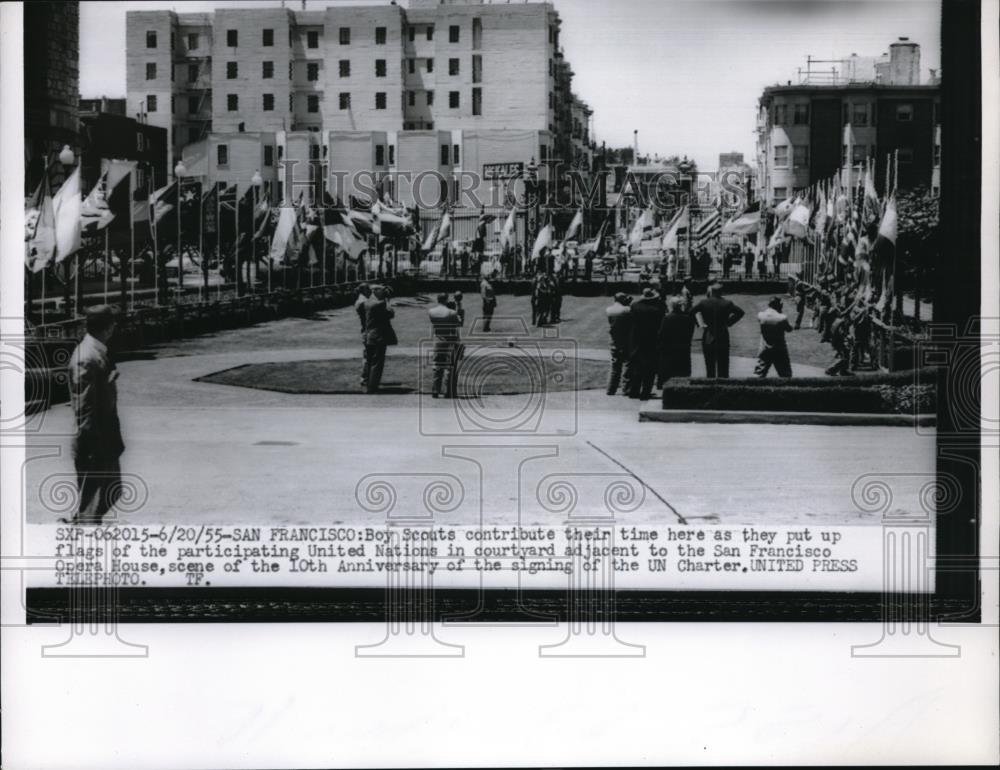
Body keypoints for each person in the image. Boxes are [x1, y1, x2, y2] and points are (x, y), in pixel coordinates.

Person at [64, 305, 125, 525]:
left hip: (103, 438)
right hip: (95, 441)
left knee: (111, 490)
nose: (115, 326)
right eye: (113, 323)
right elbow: (85, 408)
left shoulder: (97, 352)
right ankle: (82, 536)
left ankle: (80, 523)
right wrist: (94, 447)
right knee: (94, 501)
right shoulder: (86, 358)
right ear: (107, 328)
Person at [692, 282, 745, 379]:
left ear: (711, 291)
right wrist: (729, 322)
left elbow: (691, 312)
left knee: (709, 364)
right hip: (722, 333)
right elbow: (740, 312)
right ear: (721, 292)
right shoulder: (727, 303)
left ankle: (710, 384)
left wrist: (700, 323)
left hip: (708, 333)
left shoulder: (704, 302)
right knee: (723, 363)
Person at [627, 287, 666, 400]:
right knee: (650, 369)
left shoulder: (634, 306)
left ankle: (633, 391)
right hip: (651, 341)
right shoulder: (657, 309)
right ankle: (645, 392)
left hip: (636, 341)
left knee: (637, 368)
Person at [362, 285, 397, 393]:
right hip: (378, 337)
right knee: (377, 362)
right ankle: (372, 386)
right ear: (377, 291)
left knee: (369, 360)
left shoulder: (367, 303)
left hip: (369, 335)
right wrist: (387, 300)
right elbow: (391, 314)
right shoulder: (380, 304)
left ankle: (367, 384)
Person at [429, 293, 462, 398]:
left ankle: (435, 390)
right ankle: (449, 391)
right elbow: (458, 323)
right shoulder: (452, 312)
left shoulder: (431, 312)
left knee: (437, 365)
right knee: (450, 367)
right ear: (446, 300)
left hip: (438, 340)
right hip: (449, 340)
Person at [657, 295, 696, 385]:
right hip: (683, 347)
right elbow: (690, 333)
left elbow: (661, 334)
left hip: (669, 348)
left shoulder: (667, 318)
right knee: (682, 371)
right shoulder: (688, 318)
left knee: (668, 370)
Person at [754, 297, 794, 378]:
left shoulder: (761, 315)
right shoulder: (782, 317)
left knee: (759, 373)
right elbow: (789, 329)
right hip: (779, 348)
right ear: (779, 305)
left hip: (765, 348)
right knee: (785, 374)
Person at [605, 293, 633, 396]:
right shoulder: (626, 310)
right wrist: (629, 303)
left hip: (614, 341)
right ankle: (626, 389)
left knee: (615, 367)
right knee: (627, 365)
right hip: (625, 341)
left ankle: (610, 389)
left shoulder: (609, 309)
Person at [355, 283, 373, 389]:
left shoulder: (362, 300)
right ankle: (365, 378)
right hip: (368, 330)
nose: (371, 291)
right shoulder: (363, 302)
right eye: (369, 289)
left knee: (368, 355)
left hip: (366, 330)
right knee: (368, 356)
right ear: (364, 290)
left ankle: (367, 377)